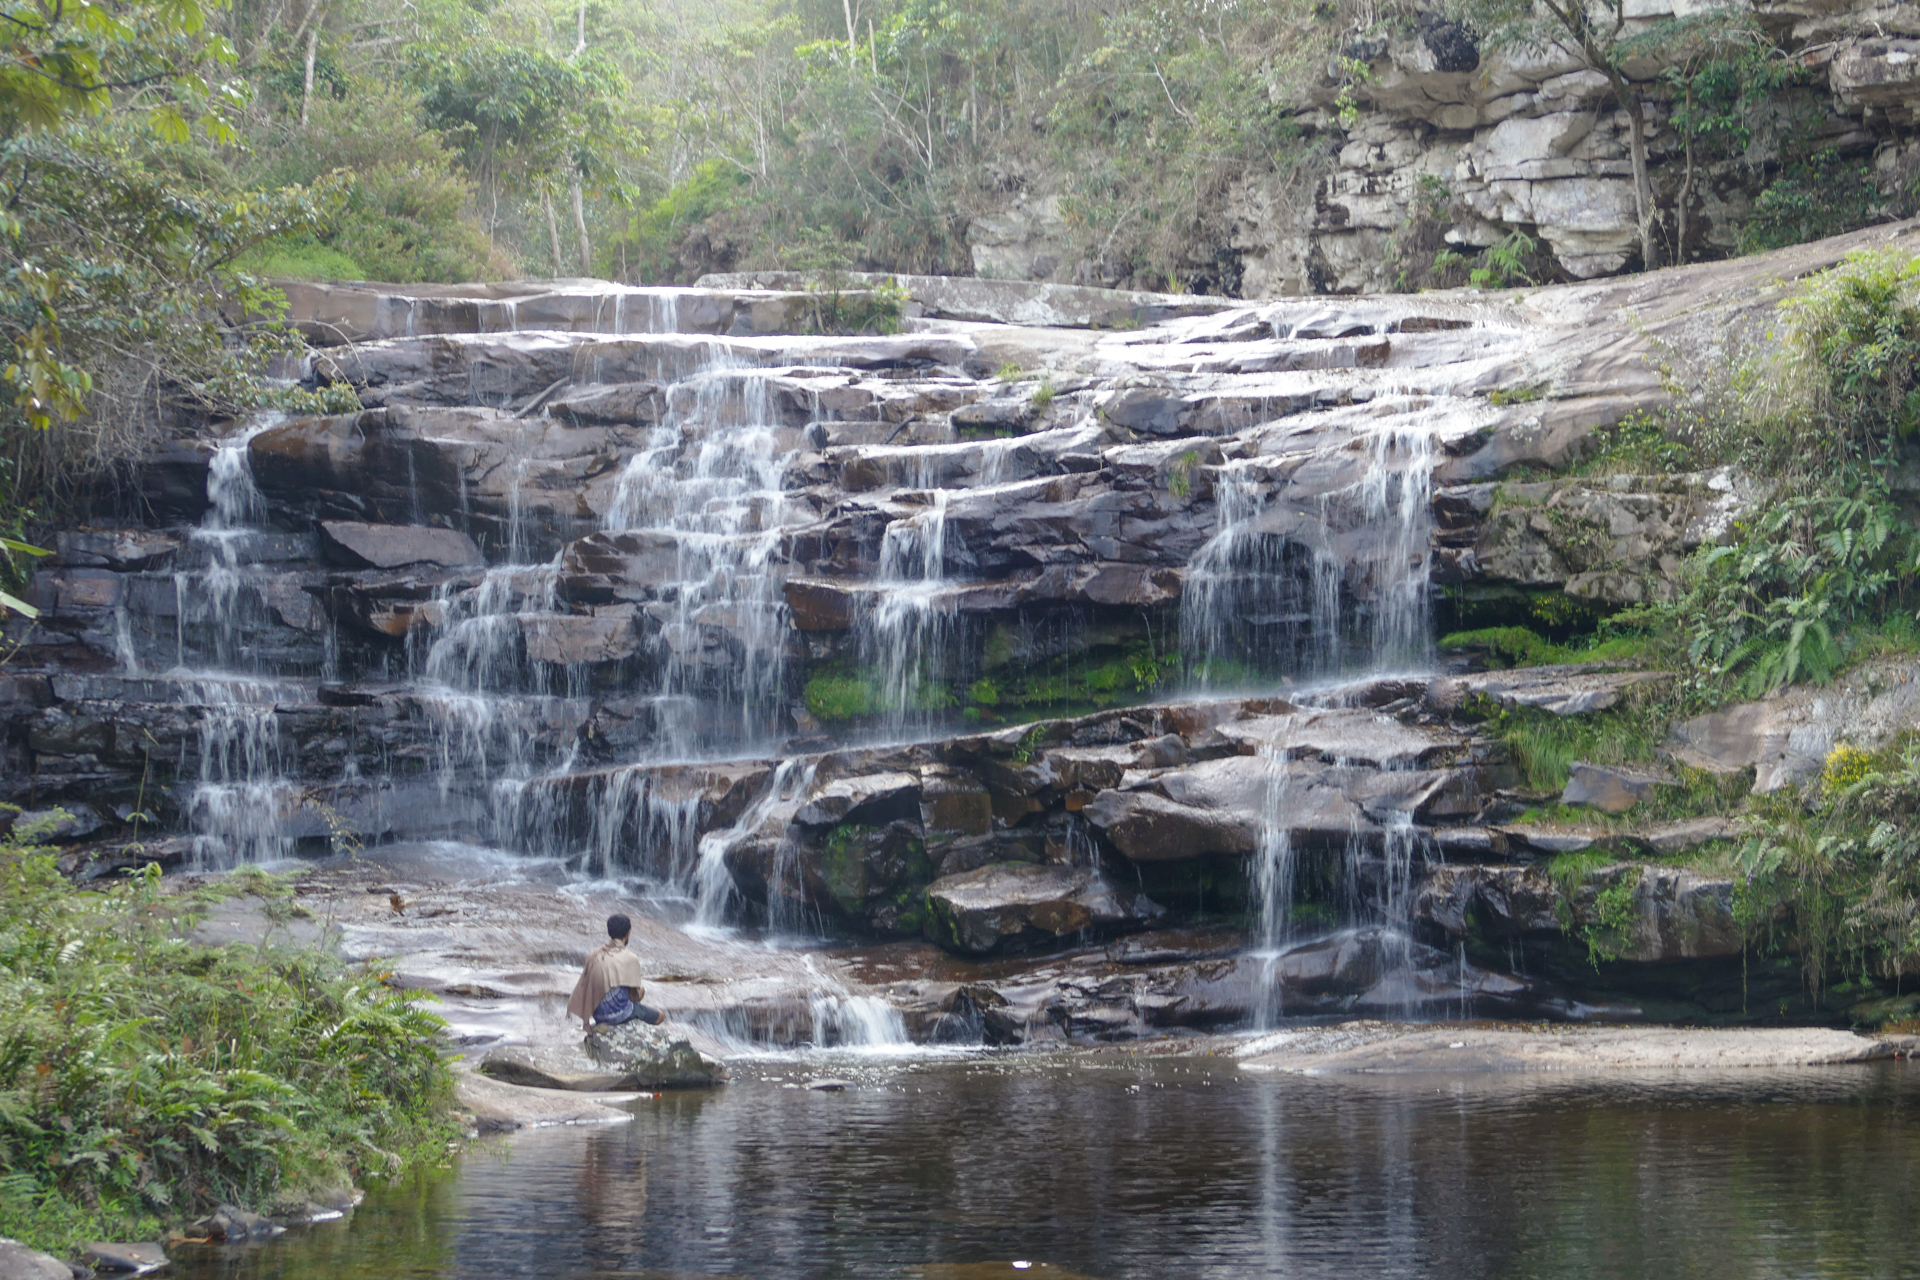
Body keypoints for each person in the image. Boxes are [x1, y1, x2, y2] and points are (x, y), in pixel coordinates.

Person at [567, 913, 666, 1031]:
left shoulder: (594, 954)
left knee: (641, 991)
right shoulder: (630, 958)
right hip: (618, 1013)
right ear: (628, 932)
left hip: (597, 1014)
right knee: (660, 1016)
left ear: (609, 932)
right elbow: (632, 995)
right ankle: (628, 1026)